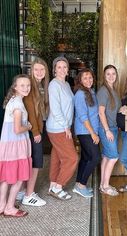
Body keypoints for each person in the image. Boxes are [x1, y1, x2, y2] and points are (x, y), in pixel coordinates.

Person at [0, 74, 32, 217]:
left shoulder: (13, 100)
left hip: (7, 145)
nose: (26, 88)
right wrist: (29, 127)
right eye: (22, 85)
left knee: (7, 177)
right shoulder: (18, 105)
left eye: (28, 85)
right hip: (16, 146)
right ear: (15, 87)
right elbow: (18, 129)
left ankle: (1, 206)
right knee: (19, 178)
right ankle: (10, 207)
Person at [46, 57, 78, 200]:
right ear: (54, 69)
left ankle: (52, 185)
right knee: (72, 158)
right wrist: (66, 127)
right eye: (59, 67)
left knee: (57, 156)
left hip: (62, 126)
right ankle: (59, 187)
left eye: (65, 67)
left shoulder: (65, 83)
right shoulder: (54, 85)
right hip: (58, 127)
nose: (62, 69)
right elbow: (55, 109)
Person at [20, 58, 49, 206]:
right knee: (36, 163)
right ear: (32, 70)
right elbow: (31, 110)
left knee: (30, 160)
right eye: (36, 69)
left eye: (42, 70)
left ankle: (23, 191)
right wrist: (36, 132)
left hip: (32, 129)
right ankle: (29, 195)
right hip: (33, 130)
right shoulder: (31, 86)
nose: (39, 72)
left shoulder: (39, 85)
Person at [73, 68, 100, 198]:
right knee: (95, 158)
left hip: (90, 131)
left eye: (90, 77)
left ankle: (78, 183)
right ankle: (82, 185)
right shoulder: (80, 94)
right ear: (80, 80)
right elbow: (83, 116)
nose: (88, 80)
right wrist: (93, 133)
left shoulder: (91, 91)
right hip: (86, 131)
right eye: (85, 78)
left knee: (85, 158)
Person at [97, 65, 121, 196]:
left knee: (106, 156)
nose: (111, 76)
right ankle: (106, 186)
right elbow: (101, 113)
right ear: (104, 76)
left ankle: (102, 184)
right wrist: (107, 130)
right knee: (113, 156)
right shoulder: (103, 91)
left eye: (113, 74)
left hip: (113, 128)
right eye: (108, 74)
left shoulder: (113, 90)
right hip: (106, 129)